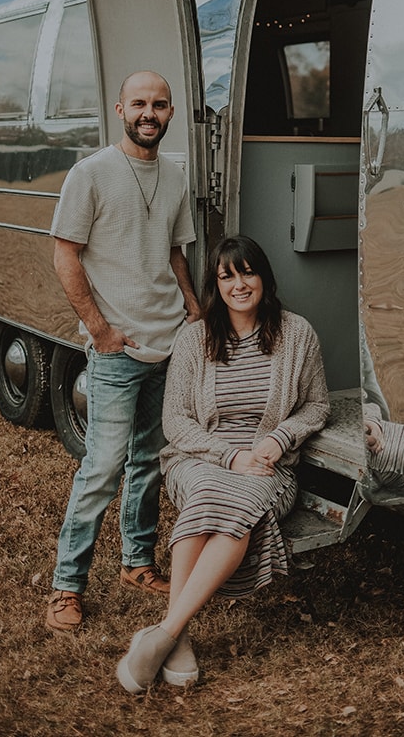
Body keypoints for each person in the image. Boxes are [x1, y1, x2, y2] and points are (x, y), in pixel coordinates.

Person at [115, 235, 331, 693]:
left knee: (239, 503)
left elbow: (317, 406)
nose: (239, 285)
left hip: (268, 466)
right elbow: (176, 421)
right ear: (216, 285)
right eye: (226, 276)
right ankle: (176, 634)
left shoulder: (297, 334)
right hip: (199, 458)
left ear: (263, 277)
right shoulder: (195, 339)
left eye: (247, 272)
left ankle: (166, 633)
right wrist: (229, 456)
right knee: (211, 491)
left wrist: (279, 438)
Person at [46, 70, 200, 633]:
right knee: (103, 468)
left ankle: (137, 562)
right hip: (116, 351)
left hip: (167, 344)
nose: (148, 113)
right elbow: (65, 254)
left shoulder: (174, 176)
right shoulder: (90, 174)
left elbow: (174, 252)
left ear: (171, 112)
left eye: (159, 104)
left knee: (150, 460)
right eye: (139, 104)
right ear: (120, 110)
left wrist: (192, 306)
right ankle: (66, 586)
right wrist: (100, 330)